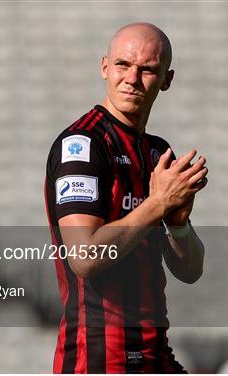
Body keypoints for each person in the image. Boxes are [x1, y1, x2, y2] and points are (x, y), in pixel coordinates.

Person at [44, 22, 208, 373]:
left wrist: (178, 224)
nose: (132, 78)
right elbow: (84, 257)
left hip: (155, 352)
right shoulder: (83, 146)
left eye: (147, 69)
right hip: (102, 357)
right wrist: (157, 206)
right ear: (105, 67)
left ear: (167, 79)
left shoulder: (157, 153)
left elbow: (191, 270)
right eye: (123, 65)